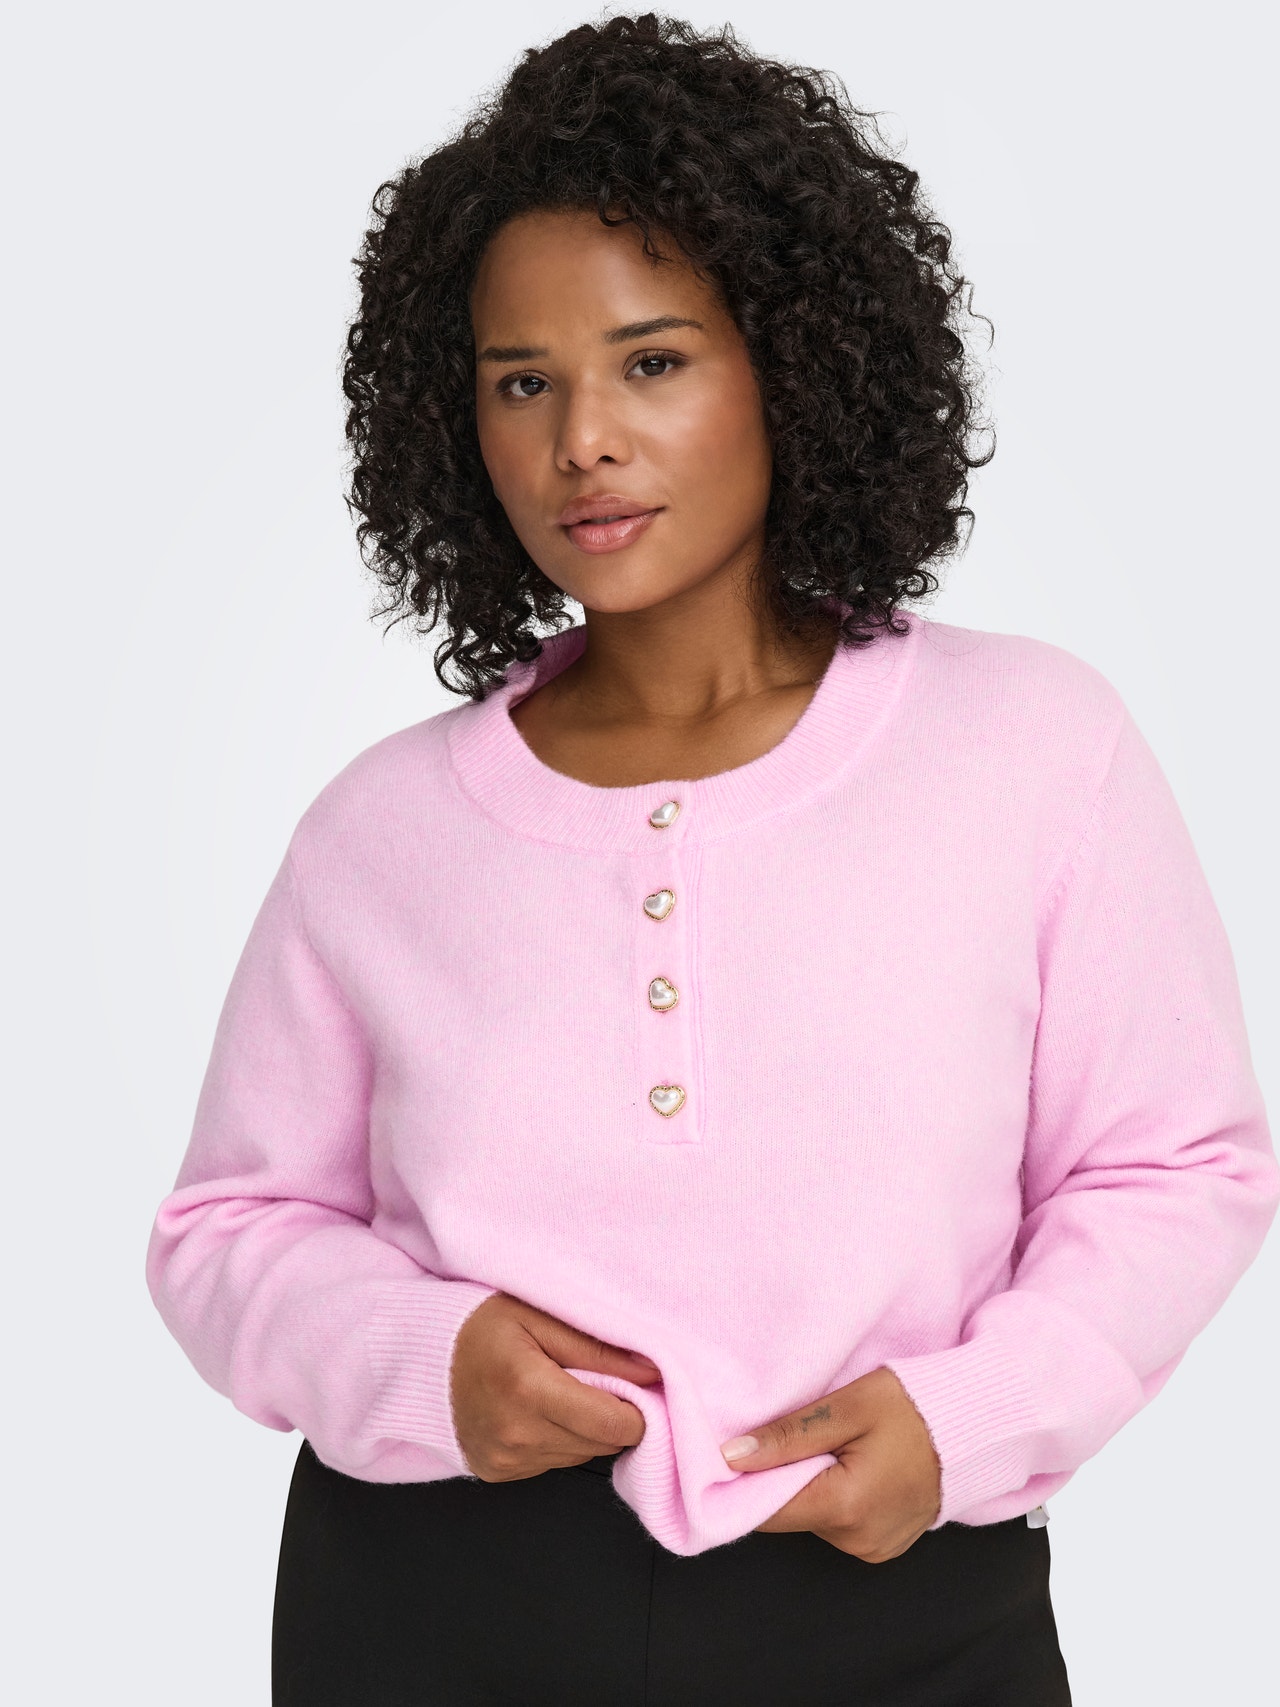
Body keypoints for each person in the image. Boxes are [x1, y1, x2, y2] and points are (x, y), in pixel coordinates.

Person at [145, 14, 1279, 1705]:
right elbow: (229, 1227)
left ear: (791, 365)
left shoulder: (1034, 747)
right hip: (439, 1607)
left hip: (903, 1598)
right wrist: (422, 1360)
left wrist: (971, 1420)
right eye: (522, 382)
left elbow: (1173, 1167)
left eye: (653, 362)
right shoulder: (380, 832)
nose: (582, 441)